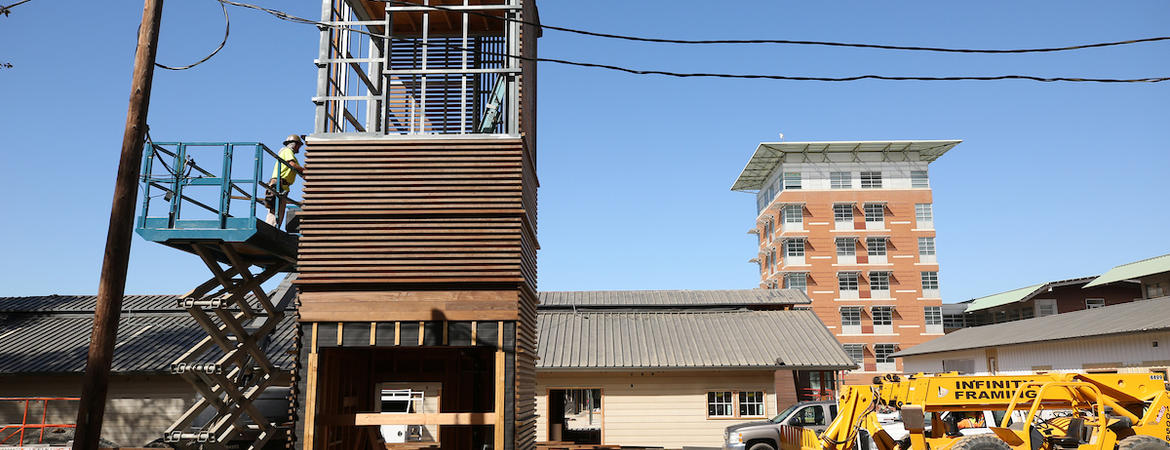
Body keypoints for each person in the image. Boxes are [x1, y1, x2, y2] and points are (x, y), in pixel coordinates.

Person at [264, 134, 305, 227]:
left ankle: (274, 230)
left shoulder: (292, 156)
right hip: (278, 185)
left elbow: (299, 170)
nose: (299, 148)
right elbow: (292, 165)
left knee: (280, 211)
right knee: (275, 211)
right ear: (293, 144)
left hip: (283, 186)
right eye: (299, 145)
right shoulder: (286, 151)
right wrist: (306, 171)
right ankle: (270, 229)